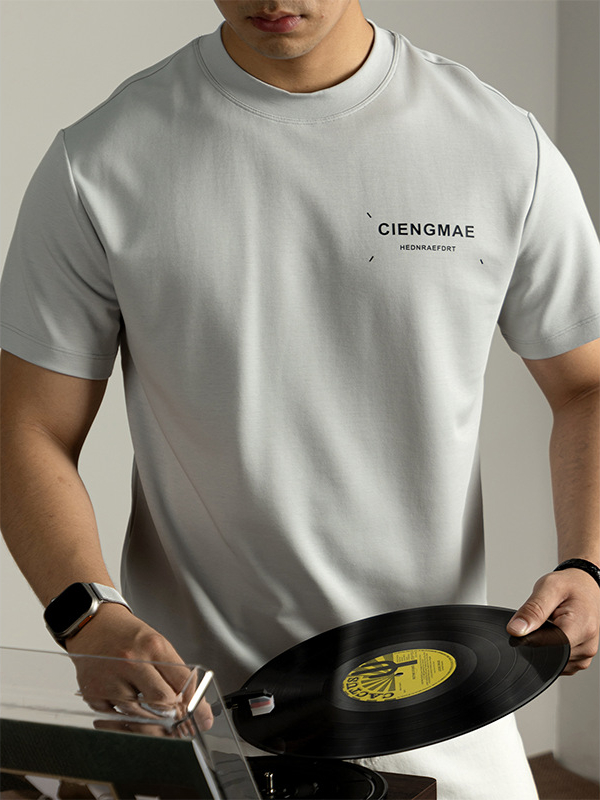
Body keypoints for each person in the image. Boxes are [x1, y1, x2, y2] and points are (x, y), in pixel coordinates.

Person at [1, 1, 599, 797]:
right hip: (198, 719)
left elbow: (586, 383)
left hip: (446, 710)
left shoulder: (499, 144)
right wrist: (86, 615)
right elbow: (28, 425)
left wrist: (587, 562)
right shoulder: (101, 159)